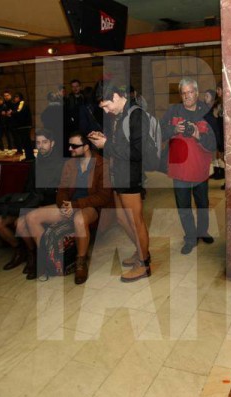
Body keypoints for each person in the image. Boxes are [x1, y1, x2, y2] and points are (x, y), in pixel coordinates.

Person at [18, 132, 113, 283]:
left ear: (86, 147)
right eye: (70, 145)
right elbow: (62, 190)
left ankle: (80, 262)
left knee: (79, 220)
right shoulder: (70, 164)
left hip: (91, 206)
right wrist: (64, 204)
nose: (70, 149)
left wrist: (74, 205)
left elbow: (104, 197)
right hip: (70, 204)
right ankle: (48, 259)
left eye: (74, 146)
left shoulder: (103, 164)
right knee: (31, 217)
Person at [88, 83, 152, 282]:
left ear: (115, 96)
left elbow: (137, 152)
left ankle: (144, 263)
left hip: (130, 176)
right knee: (122, 219)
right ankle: (141, 250)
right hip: (118, 174)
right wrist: (104, 140)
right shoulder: (120, 115)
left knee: (135, 220)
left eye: (106, 105)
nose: (106, 111)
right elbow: (120, 145)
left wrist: (106, 144)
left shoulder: (136, 115)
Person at [0, 129, 64, 272]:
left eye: (44, 142)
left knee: (20, 223)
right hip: (31, 202)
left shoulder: (60, 163)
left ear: (52, 143)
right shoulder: (36, 163)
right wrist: (25, 203)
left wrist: (39, 203)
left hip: (47, 204)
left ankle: (33, 254)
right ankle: (20, 250)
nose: (41, 146)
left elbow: (61, 192)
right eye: (38, 143)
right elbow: (28, 188)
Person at [161, 77, 216, 255]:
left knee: (202, 204)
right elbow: (159, 132)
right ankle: (191, 238)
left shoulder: (206, 112)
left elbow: (214, 143)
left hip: (200, 169)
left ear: (197, 93)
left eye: (190, 92)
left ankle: (202, 232)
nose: (187, 96)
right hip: (179, 170)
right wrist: (173, 129)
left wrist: (198, 135)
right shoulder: (173, 111)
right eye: (183, 93)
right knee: (184, 207)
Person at [204, 89, 224, 182]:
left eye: (207, 96)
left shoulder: (215, 107)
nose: (205, 98)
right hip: (210, 134)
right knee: (214, 155)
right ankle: (216, 171)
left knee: (219, 154)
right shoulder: (206, 108)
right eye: (205, 96)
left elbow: (218, 120)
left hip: (217, 133)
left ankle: (221, 172)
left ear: (212, 98)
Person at [10, 92, 34, 161]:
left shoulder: (22, 103)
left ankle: (30, 157)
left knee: (26, 142)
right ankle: (29, 157)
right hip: (22, 126)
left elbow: (19, 112)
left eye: (16, 97)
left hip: (24, 126)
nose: (15, 99)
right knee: (26, 142)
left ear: (20, 97)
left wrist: (11, 112)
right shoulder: (19, 104)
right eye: (15, 97)